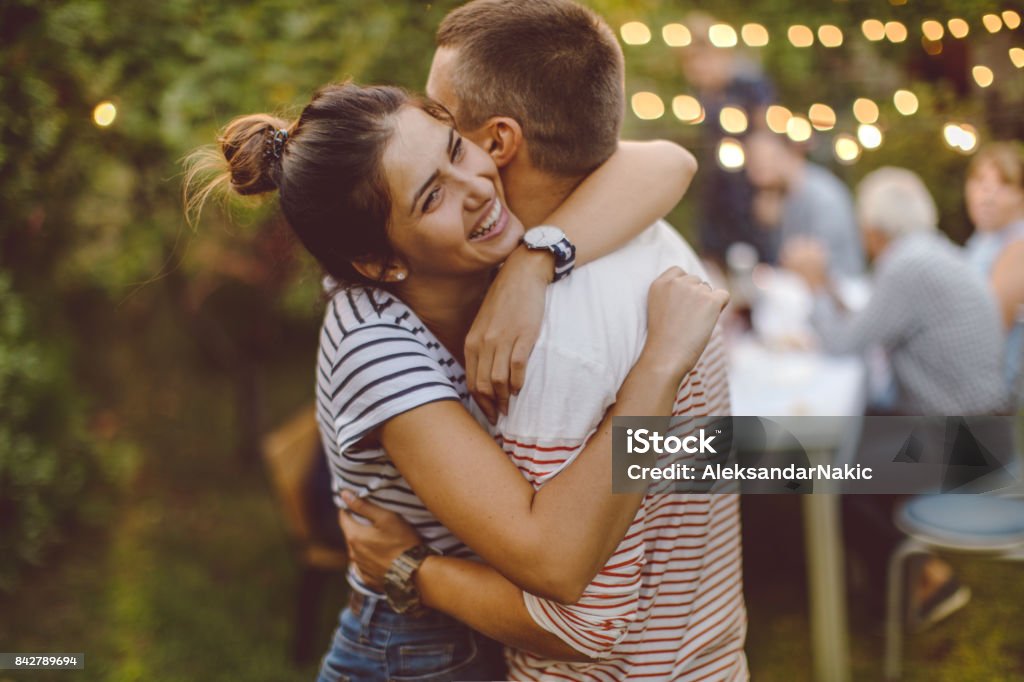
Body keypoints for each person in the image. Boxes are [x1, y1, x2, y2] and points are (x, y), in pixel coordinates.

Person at [185, 80, 726, 681]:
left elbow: (668, 161)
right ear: (383, 264)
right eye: (431, 197)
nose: (477, 185)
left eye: (454, 148)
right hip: (415, 652)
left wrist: (533, 261)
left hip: (486, 629)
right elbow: (553, 563)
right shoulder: (375, 347)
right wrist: (659, 364)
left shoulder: (480, 251)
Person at [340, 1, 749, 679]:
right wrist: (535, 257)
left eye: (444, 125)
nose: (430, 125)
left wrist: (409, 567)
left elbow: (582, 617)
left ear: (497, 143)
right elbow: (666, 160)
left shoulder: (550, 342)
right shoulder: (649, 236)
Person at [784, 166, 1007, 629]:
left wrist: (811, 284)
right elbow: (869, 325)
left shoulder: (906, 267)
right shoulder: (928, 254)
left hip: (967, 439)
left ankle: (926, 579)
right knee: (857, 428)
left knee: (839, 480)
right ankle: (883, 576)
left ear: (873, 229)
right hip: (981, 423)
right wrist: (825, 286)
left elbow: (844, 342)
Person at [676, 11, 776, 265]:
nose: (696, 69)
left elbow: (767, 137)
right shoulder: (704, 94)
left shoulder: (749, 86)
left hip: (747, 186)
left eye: (701, 60)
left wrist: (768, 191)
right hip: (718, 185)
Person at [747, 130, 865, 280]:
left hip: (840, 289)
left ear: (790, 154)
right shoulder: (783, 197)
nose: (756, 174)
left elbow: (818, 263)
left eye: (764, 161)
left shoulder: (822, 195)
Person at [963, 143, 1024, 399]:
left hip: (994, 391)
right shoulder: (986, 238)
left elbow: (990, 333)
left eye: (1002, 185)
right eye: (980, 183)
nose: (987, 196)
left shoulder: (1017, 248)